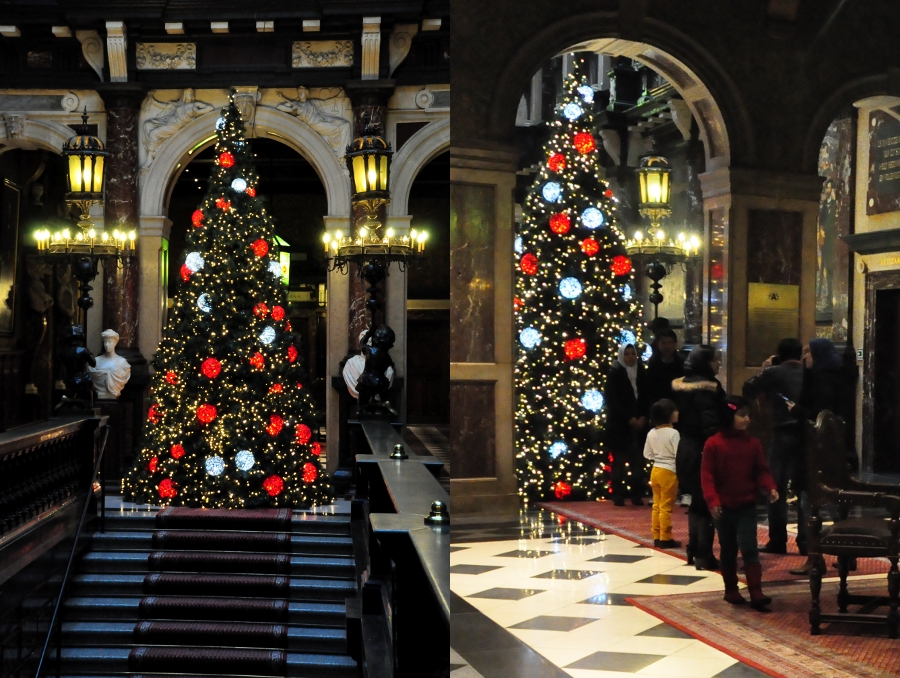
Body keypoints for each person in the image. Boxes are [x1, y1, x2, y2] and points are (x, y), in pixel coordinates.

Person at [702, 395, 779, 610]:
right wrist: (712, 500)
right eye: (742, 415)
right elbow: (707, 476)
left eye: (748, 415)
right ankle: (731, 589)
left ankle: (756, 591)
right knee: (728, 547)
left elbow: (761, 470)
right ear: (729, 416)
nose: (747, 419)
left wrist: (770, 486)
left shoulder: (752, 444)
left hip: (746, 505)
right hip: (723, 508)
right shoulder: (713, 444)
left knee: (749, 547)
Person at [787, 337, 848, 576]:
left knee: (809, 501)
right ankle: (846, 553)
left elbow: (819, 415)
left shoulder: (820, 381)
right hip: (831, 451)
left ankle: (814, 558)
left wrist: (796, 409)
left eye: (807, 353)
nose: (804, 358)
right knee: (834, 500)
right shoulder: (836, 376)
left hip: (815, 451)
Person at [742, 338, 805, 556]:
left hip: (783, 433)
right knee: (803, 488)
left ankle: (778, 540)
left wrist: (767, 369)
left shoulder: (775, 372)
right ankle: (805, 541)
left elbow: (748, 389)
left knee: (775, 486)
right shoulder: (809, 373)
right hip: (806, 434)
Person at [672, 344, 725, 570]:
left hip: (685, 446)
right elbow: (709, 419)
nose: (718, 363)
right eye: (715, 360)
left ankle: (693, 549)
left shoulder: (679, 385)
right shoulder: (708, 387)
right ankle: (704, 553)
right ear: (705, 362)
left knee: (696, 500)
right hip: (703, 448)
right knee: (706, 501)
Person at [605, 343, 649, 506]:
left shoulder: (642, 372)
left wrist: (643, 416)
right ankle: (618, 494)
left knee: (638, 461)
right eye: (627, 354)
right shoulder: (615, 374)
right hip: (620, 426)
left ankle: (636, 493)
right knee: (619, 462)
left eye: (633, 354)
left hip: (640, 425)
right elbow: (612, 400)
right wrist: (629, 418)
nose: (631, 357)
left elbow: (646, 396)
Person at [644, 398, 681, 548]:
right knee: (666, 506)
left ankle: (656, 535)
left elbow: (647, 454)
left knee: (657, 505)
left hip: (656, 470)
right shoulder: (673, 433)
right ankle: (666, 537)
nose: (678, 413)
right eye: (675, 411)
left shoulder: (652, 432)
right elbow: (679, 453)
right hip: (669, 472)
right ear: (669, 415)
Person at [645, 328, 686, 405]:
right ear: (658, 344)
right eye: (664, 343)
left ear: (675, 344)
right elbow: (649, 388)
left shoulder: (682, 362)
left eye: (670, 343)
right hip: (658, 405)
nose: (667, 346)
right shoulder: (653, 363)